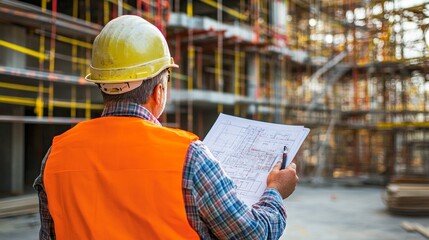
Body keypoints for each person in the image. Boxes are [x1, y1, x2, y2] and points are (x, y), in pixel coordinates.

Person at [33, 15, 299, 239]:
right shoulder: (188, 155)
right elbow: (251, 234)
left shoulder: (56, 154)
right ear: (159, 91)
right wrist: (275, 191)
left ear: (103, 86)